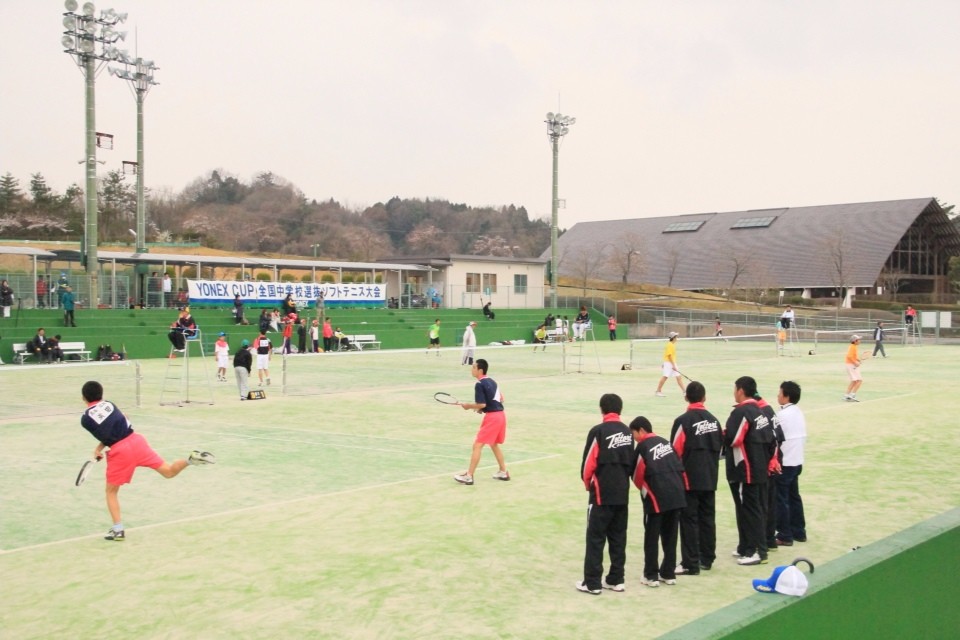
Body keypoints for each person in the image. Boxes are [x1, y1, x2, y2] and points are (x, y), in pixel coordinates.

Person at [79, 380, 215, 540]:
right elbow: (123, 421)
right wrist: (98, 449)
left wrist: (98, 450)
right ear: (102, 394)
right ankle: (190, 460)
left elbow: (108, 435)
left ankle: (118, 530)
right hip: (137, 441)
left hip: (120, 452)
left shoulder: (85, 419)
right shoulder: (109, 404)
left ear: (84, 398)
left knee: (111, 492)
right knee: (168, 472)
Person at [576, 393, 634, 595]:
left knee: (595, 537)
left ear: (602, 409)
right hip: (622, 492)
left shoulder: (598, 431)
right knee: (618, 537)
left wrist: (587, 483)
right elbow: (631, 464)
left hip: (601, 493)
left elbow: (589, 463)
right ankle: (616, 579)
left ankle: (592, 582)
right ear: (620, 410)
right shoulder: (628, 433)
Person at [670, 381, 723, 575]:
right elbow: (720, 447)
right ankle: (707, 558)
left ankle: (690, 563)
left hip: (689, 479)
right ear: (704, 398)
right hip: (710, 477)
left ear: (686, 397)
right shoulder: (714, 421)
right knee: (708, 518)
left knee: (689, 520)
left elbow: (675, 451)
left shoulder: (683, 421)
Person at [724, 375, 776, 566]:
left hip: (745, 472)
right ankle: (746, 547)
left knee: (749, 510)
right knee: (755, 508)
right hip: (760, 469)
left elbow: (732, 438)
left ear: (740, 390)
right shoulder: (760, 411)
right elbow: (773, 441)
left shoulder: (742, 412)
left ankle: (757, 551)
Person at [630, 415, 686, 588]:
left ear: (641, 430)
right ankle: (668, 573)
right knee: (670, 535)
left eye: (634, 434)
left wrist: (645, 491)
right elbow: (679, 466)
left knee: (651, 536)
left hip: (656, 496)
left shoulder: (642, 447)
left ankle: (651, 575)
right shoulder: (666, 443)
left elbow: (637, 474)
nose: (634, 438)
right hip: (677, 494)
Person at [454, 358, 510, 486]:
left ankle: (469, 476)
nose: (471, 369)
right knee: (494, 444)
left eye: (473, 367)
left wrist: (469, 406)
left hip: (492, 418)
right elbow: (500, 399)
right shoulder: (492, 381)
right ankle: (503, 472)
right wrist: (482, 409)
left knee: (477, 446)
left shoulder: (479, 384)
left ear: (480, 370)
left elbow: (482, 403)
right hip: (501, 416)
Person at [775, 380, 807, 546]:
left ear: (786, 397)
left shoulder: (782, 415)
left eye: (780, 393)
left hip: (785, 462)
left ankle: (784, 534)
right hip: (797, 460)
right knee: (794, 497)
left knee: (781, 499)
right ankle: (799, 531)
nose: (778, 395)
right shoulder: (798, 412)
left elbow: (774, 437)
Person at [655, 332, 685, 397]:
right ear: (673, 338)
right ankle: (658, 391)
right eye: (676, 337)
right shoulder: (669, 345)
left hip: (671, 362)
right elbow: (669, 356)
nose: (677, 338)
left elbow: (667, 355)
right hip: (669, 363)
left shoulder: (671, 345)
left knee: (678, 377)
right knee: (665, 377)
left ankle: (684, 391)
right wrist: (673, 365)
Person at [844, 335, 863, 402]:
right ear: (855, 341)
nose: (860, 341)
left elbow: (853, 356)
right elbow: (849, 356)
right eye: (858, 340)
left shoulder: (854, 347)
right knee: (859, 380)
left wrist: (858, 360)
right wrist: (855, 363)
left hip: (851, 365)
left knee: (854, 381)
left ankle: (847, 395)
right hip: (851, 365)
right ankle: (852, 395)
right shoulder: (853, 347)